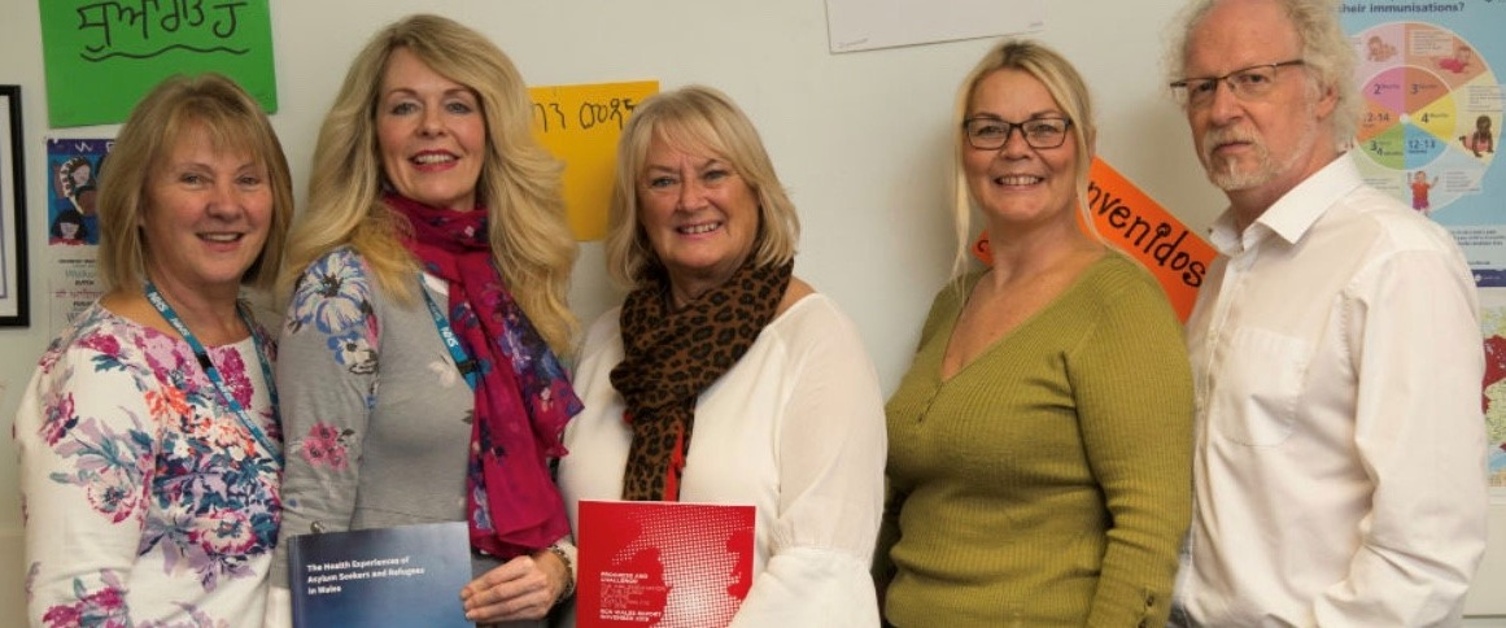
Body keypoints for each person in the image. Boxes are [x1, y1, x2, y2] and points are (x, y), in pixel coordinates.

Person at [1164, 0, 1489, 625]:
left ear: (1324, 91)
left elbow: (1425, 558)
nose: (1221, 109)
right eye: (1202, 87)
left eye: (1253, 79)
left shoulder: (1396, 260)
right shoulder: (1228, 266)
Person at [265, 14, 581, 627]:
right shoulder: (344, 287)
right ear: (372, 134)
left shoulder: (521, 287)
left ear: (491, 129)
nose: (433, 126)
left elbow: (555, 489)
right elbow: (312, 499)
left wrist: (559, 568)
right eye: (405, 107)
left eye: (458, 105)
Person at [874, 39, 1193, 627]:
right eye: (990, 129)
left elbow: (1150, 527)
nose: (1016, 149)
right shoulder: (952, 303)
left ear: (1086, 147)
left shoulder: (1119, 303)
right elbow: (901, 506)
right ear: (965, 151)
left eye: (1045, 127)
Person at [555, 85, 888, 627]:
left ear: (756, 191)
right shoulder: (602, 344)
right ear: (639, 210)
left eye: (714, 174)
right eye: (663, 181)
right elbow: (580, 542)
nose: (690, 200)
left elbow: (821, 575)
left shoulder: (817, 341)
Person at [14, 73, 293, 626]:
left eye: (248, 179)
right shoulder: (104, 367)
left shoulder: (268, 341)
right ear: (138, 203)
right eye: (194, 179)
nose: (226, 205)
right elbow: (75, 610)